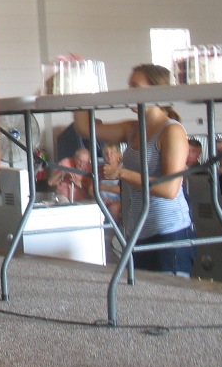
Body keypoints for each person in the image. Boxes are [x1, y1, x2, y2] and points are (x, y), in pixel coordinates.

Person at [73, 64, 195, 277]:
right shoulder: (132, 129)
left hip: (167, 230)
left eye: (135, 87)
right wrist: (78, 80)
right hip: (137, 230)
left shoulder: (172, 131)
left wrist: (121, 173)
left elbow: (169, 189)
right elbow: (84, 127)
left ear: (156, 90)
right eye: (129, 87)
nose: (129, 93)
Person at [99, 142, 123, 222]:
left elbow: (122, 189)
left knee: (113, 208)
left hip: (120, 199)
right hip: (103, 199)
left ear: (118, 155)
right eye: (106, 153)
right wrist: (102, 199)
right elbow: (91, 189)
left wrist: (103, 187)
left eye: (111, 153)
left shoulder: (123, 169)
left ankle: (112, 230)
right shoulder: (101, 169)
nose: (109, 155)